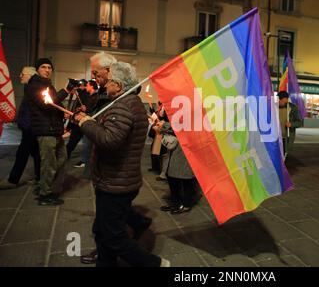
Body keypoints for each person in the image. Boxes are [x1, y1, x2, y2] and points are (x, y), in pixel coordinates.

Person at [74, 61, 169, 267]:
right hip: (116, 179)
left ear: (118, 85)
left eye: (108, 83)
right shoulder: (129, 103)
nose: (105, 86)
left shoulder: (123, 106)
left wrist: (86, 123)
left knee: (113, 238)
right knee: (102, 231)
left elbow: (110, 140)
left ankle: (156, 264)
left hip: (115, 182)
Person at [27, 58, 71, 205]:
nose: (47, 70)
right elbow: (47, 105)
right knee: (49, 163)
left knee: (61, 159)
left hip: (54, 129)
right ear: (37, 69)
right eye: (43, 67)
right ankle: (45, 194)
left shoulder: (47, 85)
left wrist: (61, 114)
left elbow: (53, 107)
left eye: (49, 67)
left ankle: (46, 187)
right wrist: (65, 91)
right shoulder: (34, 86)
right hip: (45, 130)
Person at [0, 67, 41, 190]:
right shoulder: (30, 86)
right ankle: (40, 178)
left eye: (22, 74)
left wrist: (25, 124)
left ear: (30, 75)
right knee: (36, 153)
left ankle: (13, 180)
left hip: (30, 127)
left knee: (22, 154)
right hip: (30, 126)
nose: (20, 76)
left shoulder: (32, 87)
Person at [158, 121, 197, 214]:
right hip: (176, 155)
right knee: (173, 180)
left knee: (186, 181)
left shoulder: (193, 121)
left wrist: (164, 125)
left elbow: (170, 127)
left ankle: (185, 205)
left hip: (184, 153)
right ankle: (175, 203)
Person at [277, 91, 302, 157]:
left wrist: (291, 124)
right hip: (276, 137)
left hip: (286, 137)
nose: (284, 103)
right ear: (278, 99)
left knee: (284, 156)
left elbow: (300, 122)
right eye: (282, 101)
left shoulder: (293, 108)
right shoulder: (273, 107)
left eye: (286, 101)